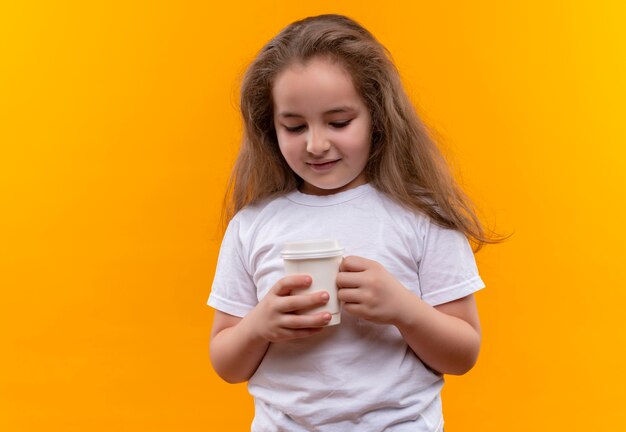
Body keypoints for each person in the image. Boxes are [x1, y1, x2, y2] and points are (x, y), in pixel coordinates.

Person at [208, 14, 500, 432]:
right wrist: (259, 325)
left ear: (377, 118)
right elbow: (226, 363)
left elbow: (463, 354)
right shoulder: (251, 226)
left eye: (339, 122)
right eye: (293, 126)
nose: (316, 143)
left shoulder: (419, 216)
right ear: (270, 128)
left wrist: (404, 310)